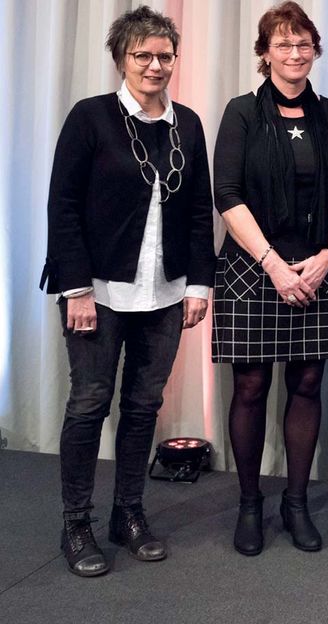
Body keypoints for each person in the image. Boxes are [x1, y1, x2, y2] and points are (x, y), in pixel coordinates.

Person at [41, 6, 215, 577]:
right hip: (97, 291)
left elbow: (198, 211)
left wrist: (199, 284)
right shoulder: (91, 117)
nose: (155, 65)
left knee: (143, 406)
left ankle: (128, 513)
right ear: (121, 58)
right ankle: (76, 522)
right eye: (142, 55)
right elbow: (63, 206)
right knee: (89, 402)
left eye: (165, 55)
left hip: (165, 292)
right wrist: (75, 289)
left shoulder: (188, 125)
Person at [212, 1, 328, 556]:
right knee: (251, 387)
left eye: (303, 44)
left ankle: (296, 503)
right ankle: (250, 504)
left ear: (314, 51)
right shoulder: (241, 113)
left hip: (318, 268)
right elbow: (226, 194)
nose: (295, 53)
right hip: (253, 267)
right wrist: (272, 263)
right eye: (283, 44)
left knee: (307, 385)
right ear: (266, 53)